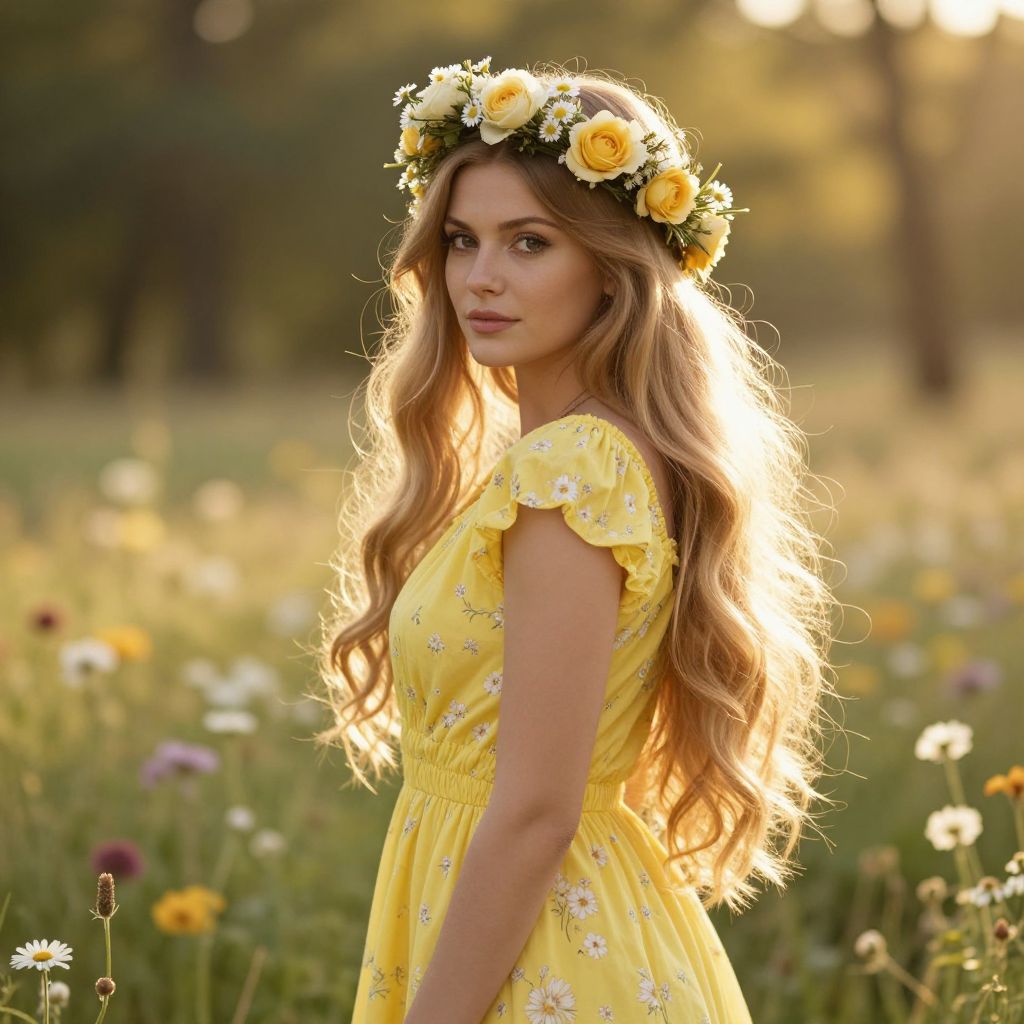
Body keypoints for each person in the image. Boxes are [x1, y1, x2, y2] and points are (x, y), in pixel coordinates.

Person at [312, 56, 841, 1023]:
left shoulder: (574, 472)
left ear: (610, 265)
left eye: (529, 243)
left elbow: (535, 812)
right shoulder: (579, 457)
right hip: (530, 930)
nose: (480, 277)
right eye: (462, 240)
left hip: (546, 963)